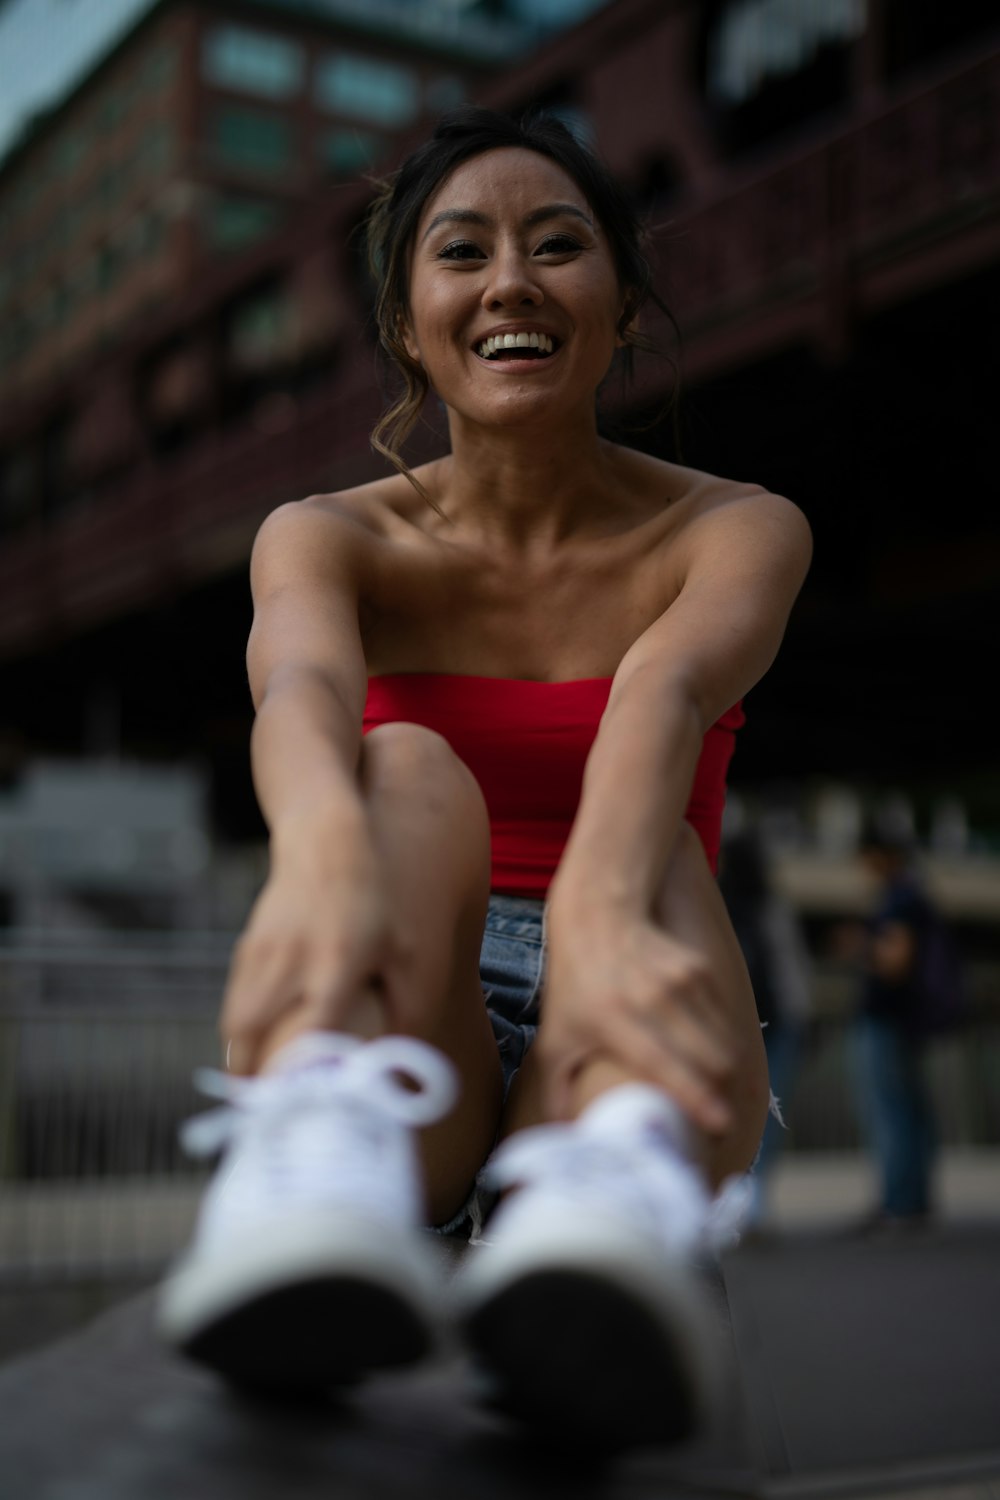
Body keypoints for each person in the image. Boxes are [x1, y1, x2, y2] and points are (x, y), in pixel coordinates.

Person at [157, 106, 812, 1450]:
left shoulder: (735, 526)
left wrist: (589, 933)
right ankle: (319, 1181)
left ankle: (603, 1211)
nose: (510, 280)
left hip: (632, 978)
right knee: (395, 765)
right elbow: (301, 692)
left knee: (654, 846)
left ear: (623, 309)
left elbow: (663, 700)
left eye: (558, 245)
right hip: (416, 1003)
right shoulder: (330, 535)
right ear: (408, 323)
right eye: (463, 251)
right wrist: (321, 869)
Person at [718, 826, 812, 1229]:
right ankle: (755, 1205)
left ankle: (729, 1203)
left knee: (728, 1115)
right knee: (768, 1118)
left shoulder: (718, 903)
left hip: (732, 1021)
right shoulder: (774, 906)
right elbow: (793, 971)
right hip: (782, 1020)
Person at [853, 826, 940, 1231]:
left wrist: (863, 948)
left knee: (891, 1112)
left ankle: (898, 1203)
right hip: (911, 1020)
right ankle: (914, 1201)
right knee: (911, 1110)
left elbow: (895, 960)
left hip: (889, 1019)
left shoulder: (900, 898)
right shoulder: (915, 893)